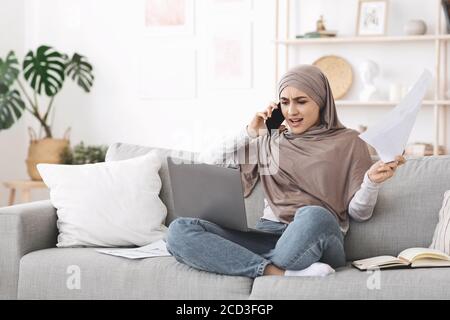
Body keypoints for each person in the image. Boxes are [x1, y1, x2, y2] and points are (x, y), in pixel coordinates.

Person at [166, 65, 406, 278]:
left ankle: (245, 262)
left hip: (316, 234)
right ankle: (278, 271)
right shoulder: (271, 140)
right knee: (179, 230)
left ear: (321, 101)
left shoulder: (349, 141)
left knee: (313, 214)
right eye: (285, 102)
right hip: (267, 236)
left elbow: (359, 213)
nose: (292, 111)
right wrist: (249, 132)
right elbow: (206, 161)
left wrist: (370, 183)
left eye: (301, 101)